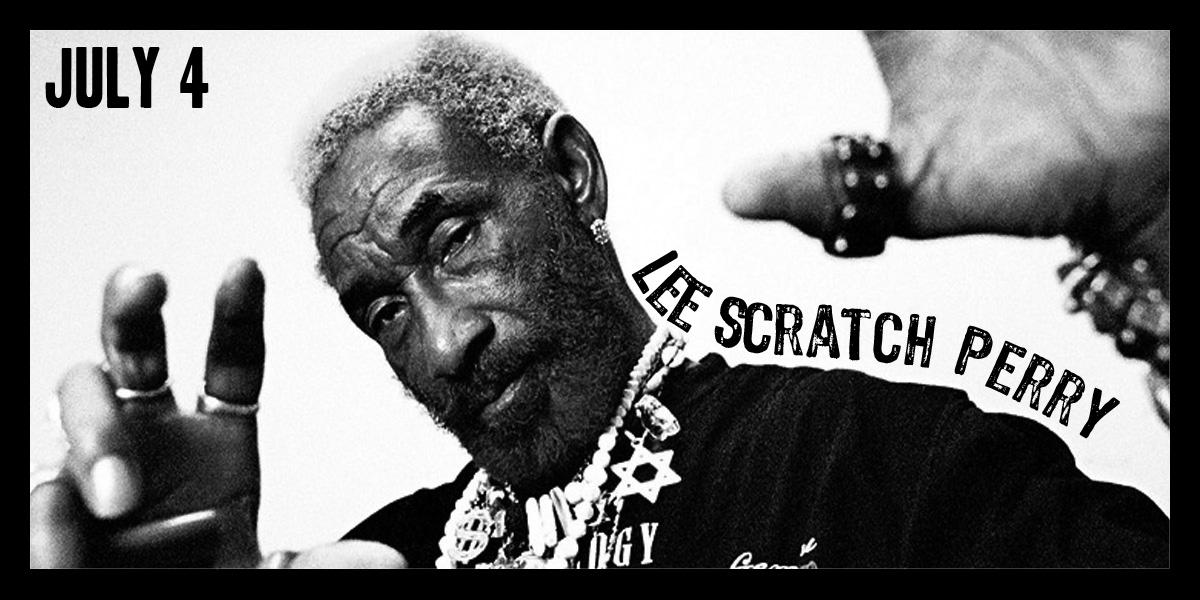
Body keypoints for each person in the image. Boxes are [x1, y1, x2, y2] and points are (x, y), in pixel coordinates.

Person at [29, 31, 1168, 569]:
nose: (444, 342)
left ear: (572, 176)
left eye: (454, 237)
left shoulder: (875, 462)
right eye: (381, 310)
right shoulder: (386, 563)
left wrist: (1159, 220)